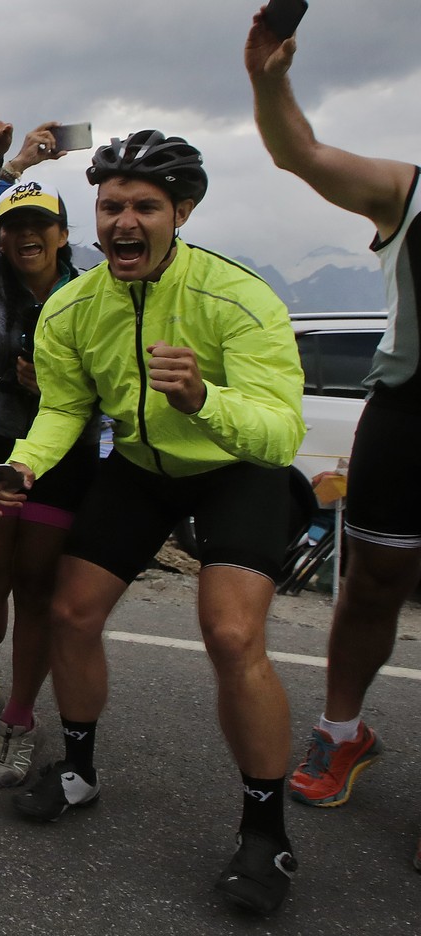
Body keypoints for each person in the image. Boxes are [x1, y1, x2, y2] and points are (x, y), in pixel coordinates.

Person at [0, 130, 306, 915]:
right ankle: (79, 769)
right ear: (93, 218)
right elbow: (64, 406)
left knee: (232, 634)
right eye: (111, 206)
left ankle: (266, 833)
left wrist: (205, 400)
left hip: (236, 468)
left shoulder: (238, 298)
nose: (123, 221)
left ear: (183, 212)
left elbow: (281, 434)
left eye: (144, 206)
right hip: (139, 467)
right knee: (70, 611)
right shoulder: (73, 306)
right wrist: (27, 464)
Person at [245, 8, 421, 855]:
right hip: (409, 411)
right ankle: (341, 728)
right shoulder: (409, 188)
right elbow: (300, 155)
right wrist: (269, 81)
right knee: (372, 580)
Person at [0, 121, 95, 788]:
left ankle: (22, 720)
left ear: (63, 236)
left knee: (35, 590)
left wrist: (67, 385)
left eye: (41, 225)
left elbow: (117, 377)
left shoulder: (92, 294)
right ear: (0, 236)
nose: (25, 236)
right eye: (13, 225)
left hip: (64, 457)